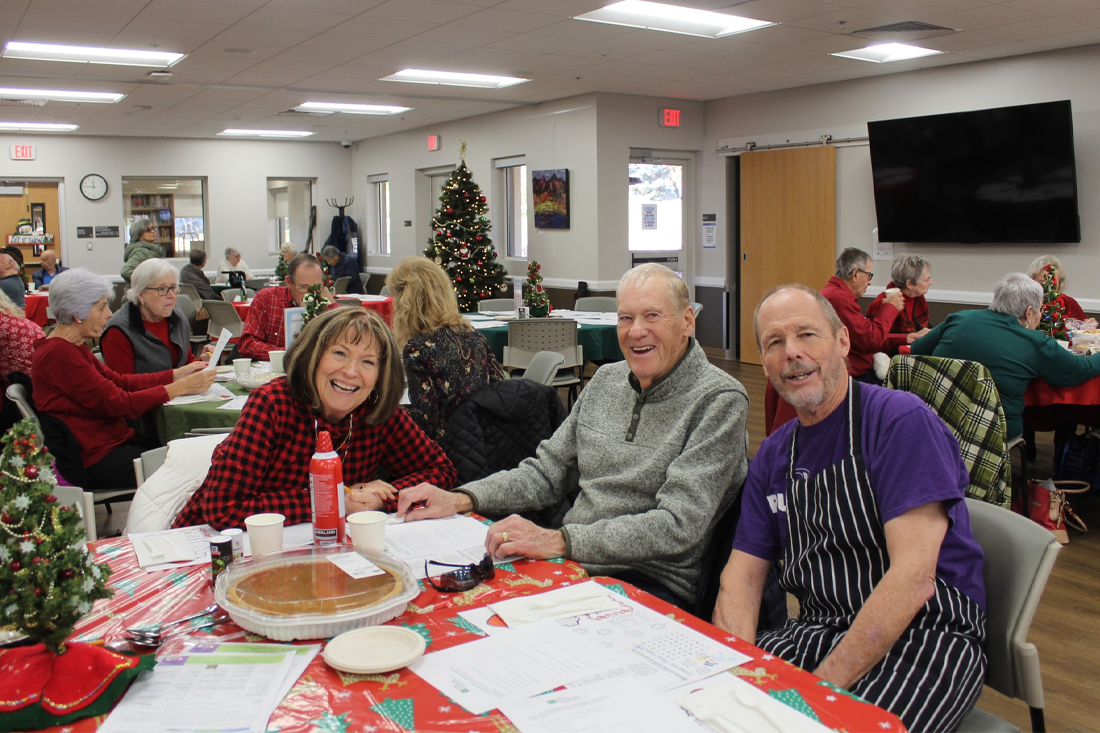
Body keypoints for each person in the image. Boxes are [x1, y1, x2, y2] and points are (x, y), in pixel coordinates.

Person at [396, 264, 750, 609]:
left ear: (687, 321)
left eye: (652, 316)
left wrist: (559, 540)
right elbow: (545, 473)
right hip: (571, 564)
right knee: (439, 603)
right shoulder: (607, 381)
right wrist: (459, 498)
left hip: (647, 583)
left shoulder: (719, 401)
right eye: (625, 318)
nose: (635, 331)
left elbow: (676, 525)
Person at [714, 284, 986, 732]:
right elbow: (742, 577)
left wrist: (818, 695)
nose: (792, 354)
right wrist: (737, 671)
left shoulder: (899, 423)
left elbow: (913, 579)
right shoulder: (775, 455)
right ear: (763, 361)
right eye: (775, 343)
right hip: (819, 628)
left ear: (842, 341)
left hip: (927, 634)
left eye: (807, 335)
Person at [174, 307, 456, 530]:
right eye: (339, 353)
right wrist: (334, 500)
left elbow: (441, 470)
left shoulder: (377, 411)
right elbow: (222, 509)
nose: (350, 371)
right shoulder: (272, 404)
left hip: (315, 549)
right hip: (209, 552)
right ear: (313, 355)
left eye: (368, 362)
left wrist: (380, 496)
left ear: (381, 375)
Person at [31, 269, 215, 491]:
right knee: (198, 463)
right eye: (101, 307)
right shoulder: (60, 354)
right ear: (76, 312)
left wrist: (175, 375)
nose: (109, 314)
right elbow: (118, 403)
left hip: (112, 445)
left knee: (189, 450)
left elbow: (118, 381)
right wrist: (178, 388)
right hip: (98, 458)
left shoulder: (70, 346)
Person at [911, 272, 1100, 440]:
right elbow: (1077, 371)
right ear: (1028, 312)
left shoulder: (958, 318)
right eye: (1040, 309)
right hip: (992, 432)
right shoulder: (1034, 342)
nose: (1040, 315)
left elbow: (917, 349)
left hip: (936, 423)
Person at [386, 257, 504, 441]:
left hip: (448, 449)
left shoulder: (418, 348)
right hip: (484, 439)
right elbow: (498, 384)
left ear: (405, 302)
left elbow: (425, 421)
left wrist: (388, 415)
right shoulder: (473, 334)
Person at [101, 258, 211, 375]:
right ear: (141, 294)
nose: (171, 295)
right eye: (161, 289)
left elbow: (185, 363)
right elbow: (124, 385)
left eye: (173, 287)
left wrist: (202, 362)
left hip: (181, 392)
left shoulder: (178, 318)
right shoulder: (119, 330)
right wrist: (174, 380)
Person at [820, 247, 904, 381]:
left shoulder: (835, 293)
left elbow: (864, 333)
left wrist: (906, 338)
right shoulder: (839, 299)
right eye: (868, 276)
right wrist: (890, 307)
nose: (870, 282)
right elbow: (871, 339)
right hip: (855, 378)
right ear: (855, 274)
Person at [238, 253, 332, 360]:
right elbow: (247, 344)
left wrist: (331, 305)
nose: (309, 295)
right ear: (288, 282)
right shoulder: (267, 299)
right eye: (303, 287)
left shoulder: (323, 303)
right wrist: (286, 354)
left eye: (315, 287)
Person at [865, 254, 932, 352]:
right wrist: (909, 337)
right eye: (926, 280)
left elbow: (925, 328)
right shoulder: (883, 302)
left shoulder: (919, 298)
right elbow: (875, 340)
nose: (931, 282)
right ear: (909, 284)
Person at [1027, 254, 1086, 320]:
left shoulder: (1069, 304)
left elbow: (1083, 326)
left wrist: (1089, 324)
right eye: (1042, 282)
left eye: (1052, 283)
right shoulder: (1026, 303)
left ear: (1060, 282)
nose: (1048, 287)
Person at [121, 218, 164, 283]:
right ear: (138, 234)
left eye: (153, 228)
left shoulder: (150, 250)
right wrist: (147, 283)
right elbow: (126, 272)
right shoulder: (141, 251)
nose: (152, 231)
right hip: (141, 292)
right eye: (147, 230)